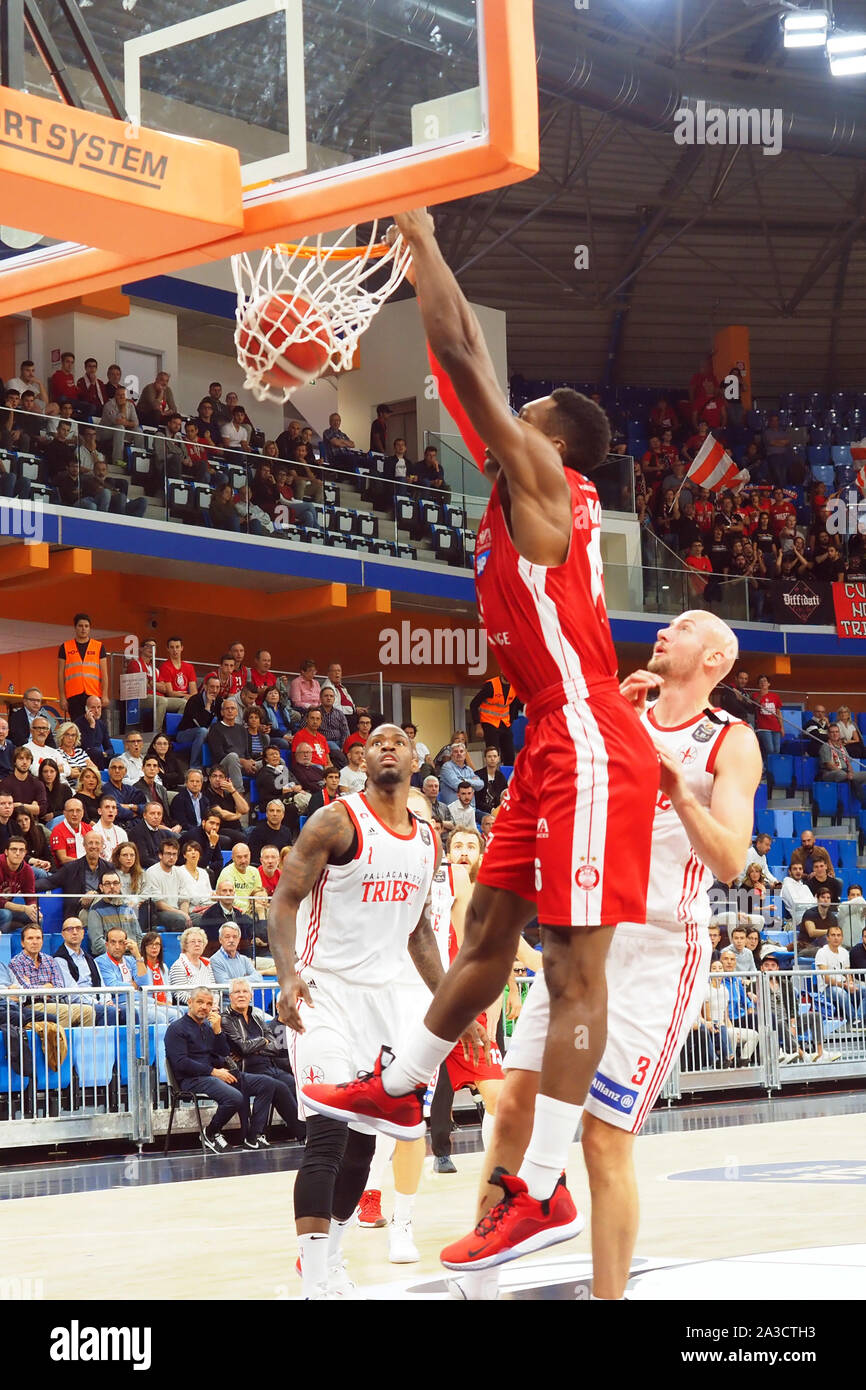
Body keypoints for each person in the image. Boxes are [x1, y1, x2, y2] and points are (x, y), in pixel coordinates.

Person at [300, 208, 661, 1271]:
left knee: (570, 972)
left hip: (589, 732)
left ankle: (539, 1187)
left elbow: (460, 355)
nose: (510, 415)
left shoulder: (545, 483)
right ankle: (401, 1079)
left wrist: (419, 237)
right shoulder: (521, 483)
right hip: (548, 740)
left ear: (547, 439)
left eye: (527, 408)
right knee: (483, 938)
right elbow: (463, 382)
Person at [437, 611, 763, 1298]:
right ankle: (482, 1287)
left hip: (654, 948)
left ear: (716, 659)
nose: (665, 633)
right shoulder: (620, 709)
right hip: (579, 933)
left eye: (683, 627)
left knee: (604, 1140)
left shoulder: (729, 743)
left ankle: (609, 1296)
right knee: (514, 1108)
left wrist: (675, 787)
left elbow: (733, 860)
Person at [269, 725, 445, 1300]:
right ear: (363, 759)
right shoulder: (336, 820)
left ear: (418, 759)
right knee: (327, 1136)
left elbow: (420, 934)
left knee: (365, 1148)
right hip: (323, 995)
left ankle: (332, 1255)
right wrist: (288, 974)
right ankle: (315, 1283)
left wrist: (451, 1001)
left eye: (400, 740)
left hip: (384, 1004)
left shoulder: (428, 840)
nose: (388, 746)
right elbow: (285, 898)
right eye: (378, 741)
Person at [164, 987, 276, 1153]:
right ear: (189, 1002)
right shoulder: (176, 1029)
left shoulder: (208, 1028)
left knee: (267, 1083)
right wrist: (214, 1071)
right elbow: (181, 1063)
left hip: (213, 1075)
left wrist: (218, 1031)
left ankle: (253, 1137)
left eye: (209, 1004)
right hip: (191, 1080)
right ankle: (210, 1133)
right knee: (235, 1097)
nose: (204, 1007)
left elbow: (223, 1053)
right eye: (200, 1002)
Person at [221, 978, 306, 1141]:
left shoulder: (257, 1017)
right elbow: (242, 1048)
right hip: (244, 1070)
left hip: (267, 1065)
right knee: (276, 1086)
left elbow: (274, 1046)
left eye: (245, 992)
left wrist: (254, 1049)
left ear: (251, 996)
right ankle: (258, 1135)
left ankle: (304, 1133)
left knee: (291, 1082)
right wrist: (261, 1043)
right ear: (230, 996)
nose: (241, 995)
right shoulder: (226, 1019)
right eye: (237, 992)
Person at [10, 924, 95, 1026]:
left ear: (42, 941)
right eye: (30, 938)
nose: (35, 942)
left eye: (38, 938)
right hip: (30, 1005)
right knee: (65, 1012)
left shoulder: (49, 960)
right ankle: (57, 1041)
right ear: (22, 943)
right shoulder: (16, 962)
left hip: (53, 1002)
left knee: (88, 1011)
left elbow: (59, 988)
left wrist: (37, 988)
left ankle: (80, 1042)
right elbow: (25, 991)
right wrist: (47, 987)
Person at [57, 614, 109, 721]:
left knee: (97, 725)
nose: (83, 629)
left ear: (90, 628)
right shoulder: (65, 647)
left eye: (86, 626)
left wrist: (105, 695)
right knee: (77, 726)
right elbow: (60, 674)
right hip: (74, 695)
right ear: (75, 628)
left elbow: (104, 673)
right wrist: (62, 697)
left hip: (93, 693)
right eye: (80, 626)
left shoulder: (98, 646)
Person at [815, 924, 866, 1023]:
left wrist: (850, 983)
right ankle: (853, 1019)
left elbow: (848, 973)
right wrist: (845, 985)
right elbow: (826, 978)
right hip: (827, 988)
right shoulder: (822, 952)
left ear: (842, 938)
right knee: (841, 993)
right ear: (827, 938)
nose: (836, 938)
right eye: (833, 935)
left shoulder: (844, 952)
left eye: (838, 935)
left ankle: (858, 1019)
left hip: (844, 985)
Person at [87, 869, 143, 957]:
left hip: (132, 957)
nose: (112, 886)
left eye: (115, 883)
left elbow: (139, 937)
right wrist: (121, 951)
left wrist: (137, 952)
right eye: (107, 884)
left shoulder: (128, 908)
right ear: (101, 887)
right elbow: (97, 944)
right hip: (108, 959)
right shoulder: (95, 911)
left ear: (120, 886)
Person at [469, 676, 520, 763]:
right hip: (489, 722)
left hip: (504, 722)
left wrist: (511, 720)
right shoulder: (491, 686)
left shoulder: (515, 686)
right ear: (501, 671)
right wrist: (478, 725)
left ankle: (507, 775)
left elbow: (514, 704)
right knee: (493, 753)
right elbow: (473, 704)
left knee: (510, 754)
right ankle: (493, 774)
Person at [819, 724, 866, 805]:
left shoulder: (842, 748)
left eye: (837, 732)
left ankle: (862, 799)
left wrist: (850, 772)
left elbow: (848, 764)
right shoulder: (825, 746)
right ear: (828, 734)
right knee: (841, 773)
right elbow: (829, 764)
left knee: (862, 775)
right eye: (832, 732)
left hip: (846, 773)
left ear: (839, 733)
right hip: (830, 773)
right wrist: (846, 774)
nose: (835, 734)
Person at [0, 836, 38, 933]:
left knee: (36, 917)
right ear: (6, 852)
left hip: (7, 907)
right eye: (13, 849)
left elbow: (30, 896)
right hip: (4, 909)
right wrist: (24, 908)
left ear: (25, 853)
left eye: (21, 850)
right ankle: (3, 945)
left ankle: (31, 946)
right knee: (6, 914)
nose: (17, 853)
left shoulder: (27, 870)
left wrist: (33, 908)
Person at [75, 695, 114, 769]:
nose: (96, 711)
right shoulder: (77, 724)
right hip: (84, 759)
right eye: (93, 707)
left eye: (99, 707)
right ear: (86, 709)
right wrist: (92, 726)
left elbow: (110, 748)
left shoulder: (102, 724)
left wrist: (104, 754)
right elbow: (88, 746)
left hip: (100, 757)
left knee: (118, 758)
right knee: (95, 752)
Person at [753, 675, 783, 761]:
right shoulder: (755, 695)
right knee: (770, 749)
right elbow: (755, 704)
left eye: (765, 681)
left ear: (769, 683)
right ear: (758, 684)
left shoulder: (775, 696)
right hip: (763, 727)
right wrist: (762, 694)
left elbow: (778, 712)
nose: (763, 683)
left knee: (777, 750)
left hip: (775, 727)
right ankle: (767, 768)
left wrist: (782, 727)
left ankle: (773, 769)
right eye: (761, 681)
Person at [476, 746, 508, 815]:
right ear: (485, 759)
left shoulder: (501, 777)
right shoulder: (477, 775)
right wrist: (491, 810)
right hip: (481, 811)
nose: (492, 759)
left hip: (497, 810)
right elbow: (477, 801)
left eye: (495, 756)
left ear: (498, 759)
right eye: (489, 756)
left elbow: (505, 796)